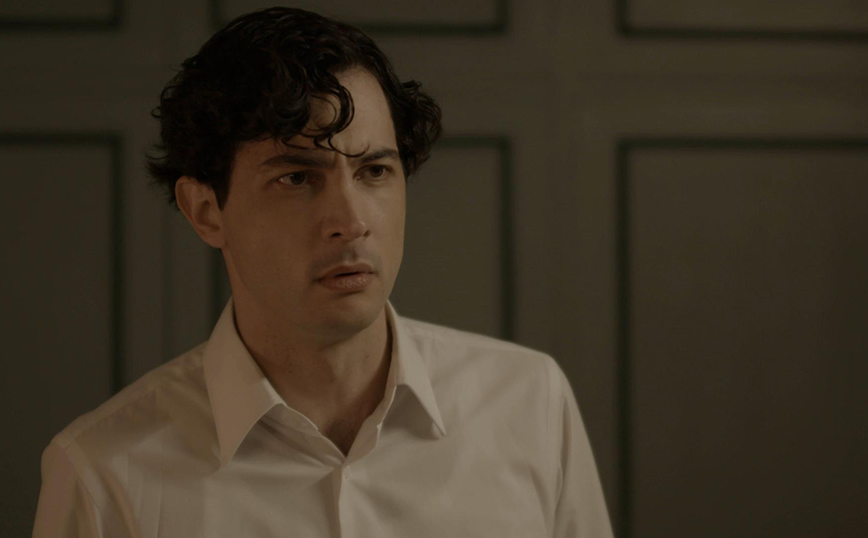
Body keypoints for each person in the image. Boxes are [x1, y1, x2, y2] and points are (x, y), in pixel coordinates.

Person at [32, 6, 613, 537]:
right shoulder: (103, 474)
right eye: (297, 178)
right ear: (206, 211)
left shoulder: (530, 403)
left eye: (374, 172)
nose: (351, 222)